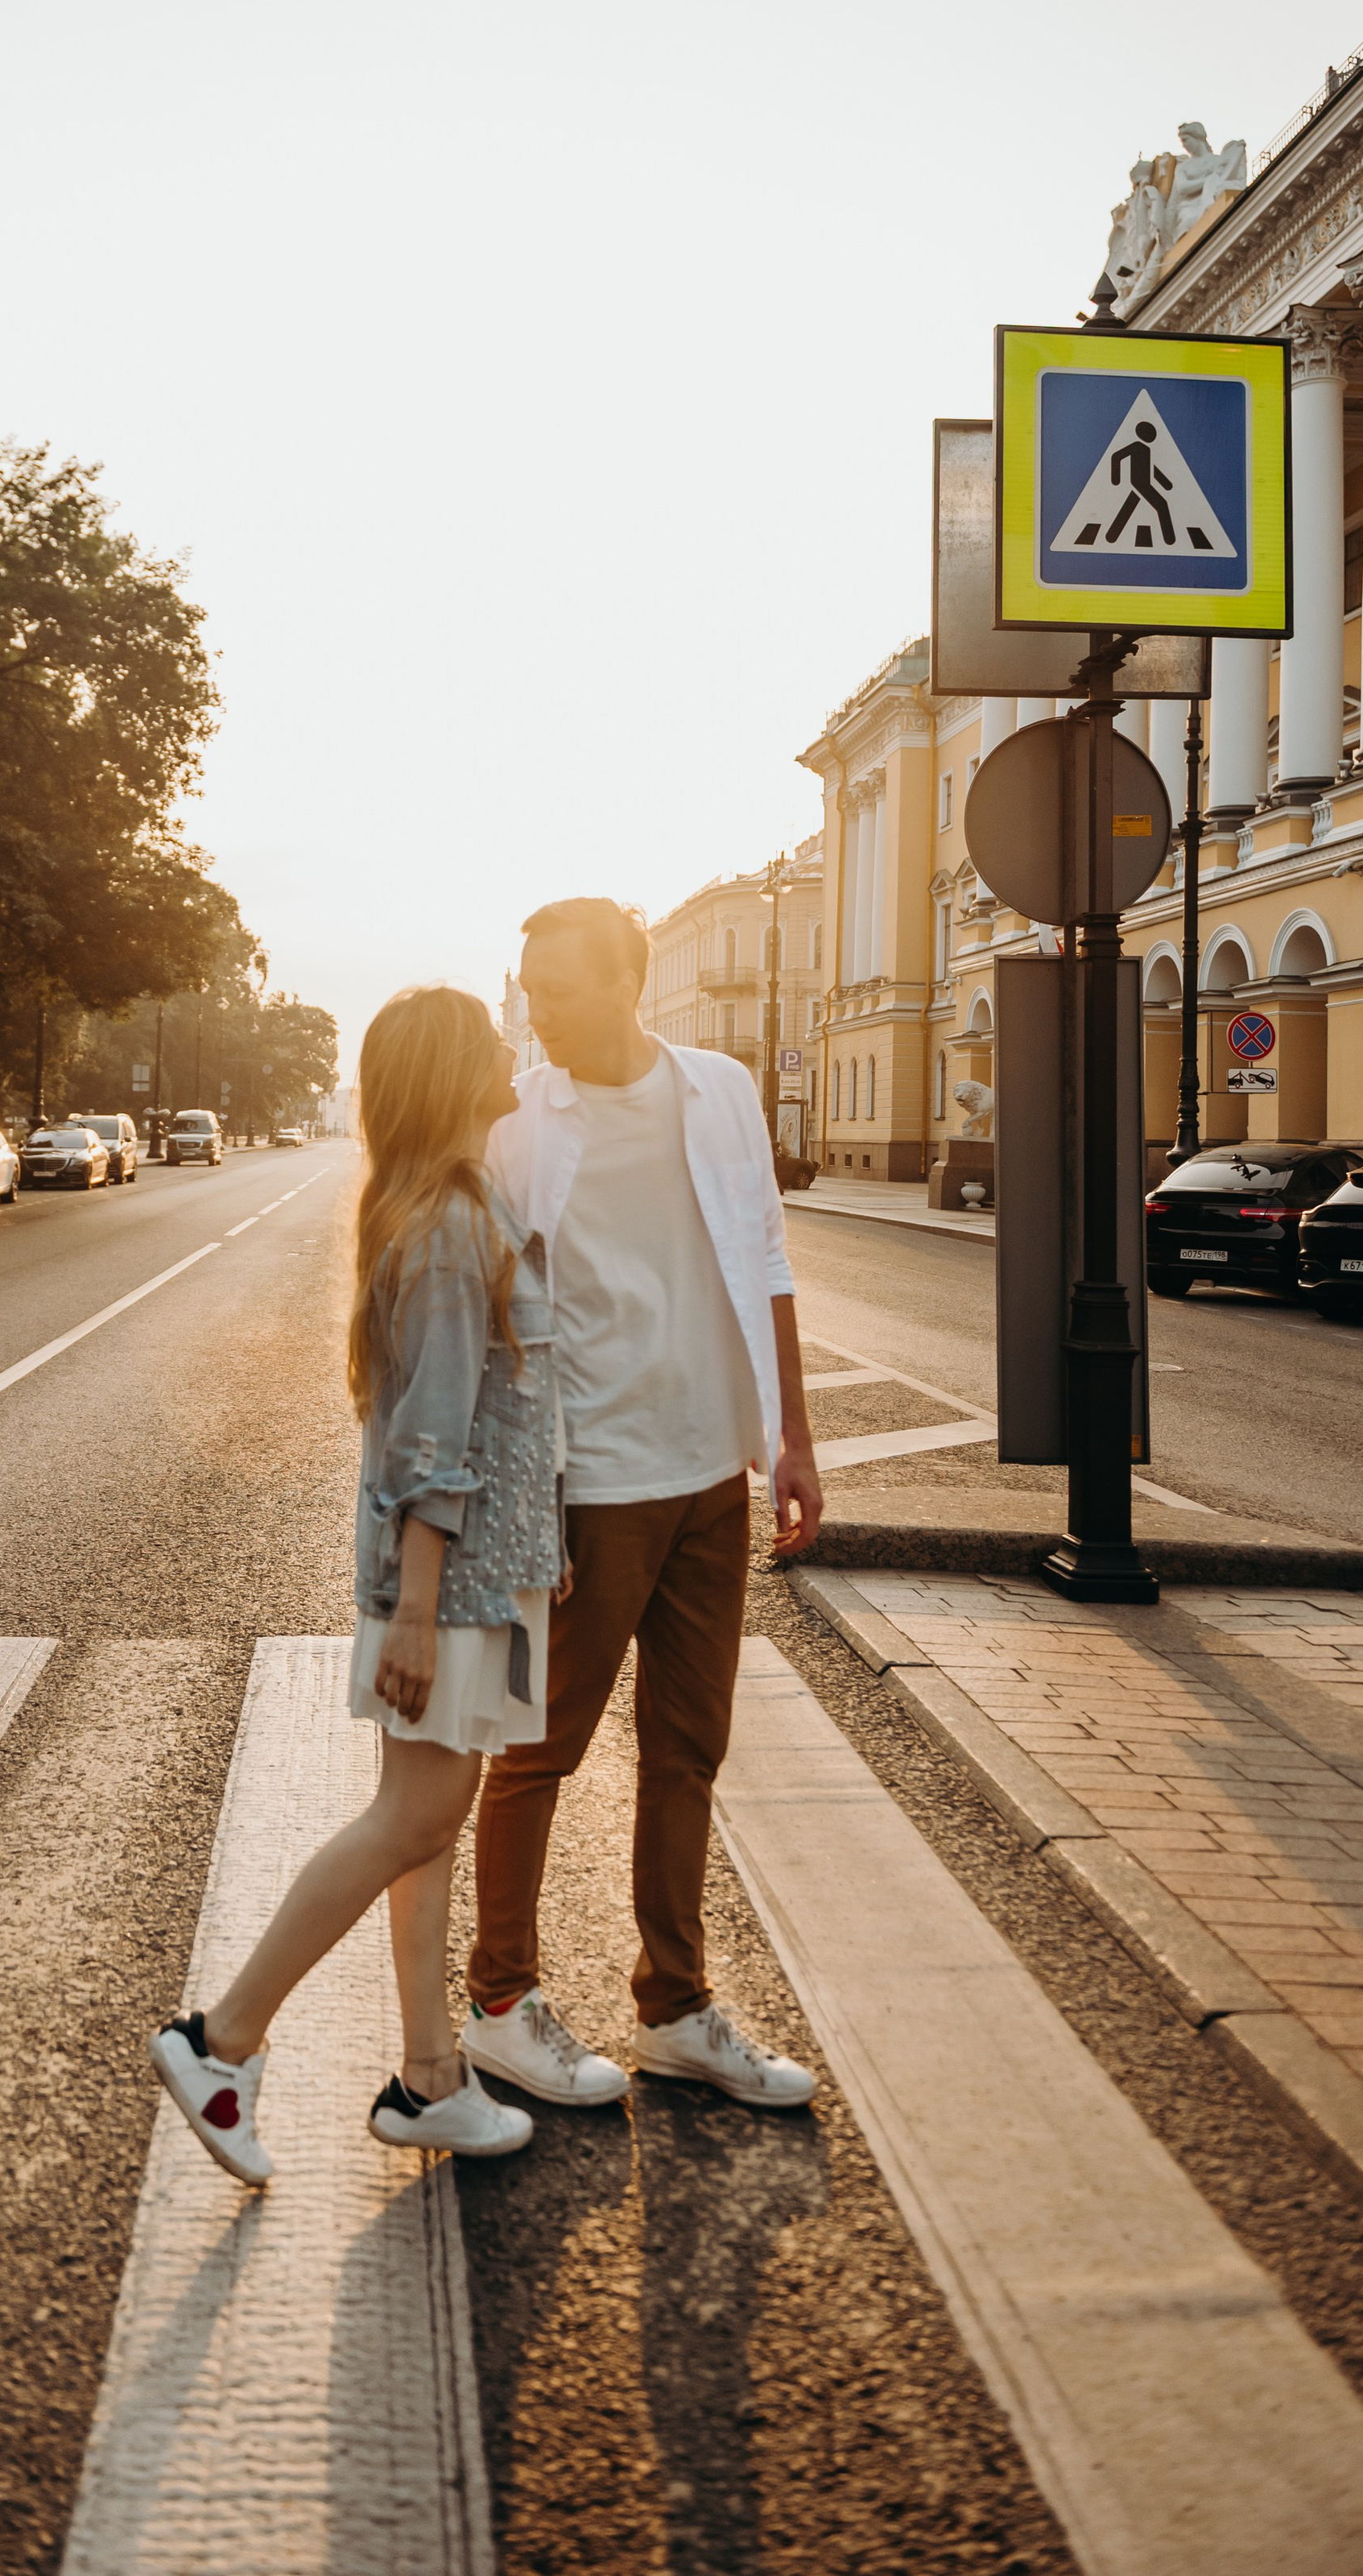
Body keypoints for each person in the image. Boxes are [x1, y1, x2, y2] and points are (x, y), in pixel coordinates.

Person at [151, 984, 567, 2187]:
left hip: (483, 1572)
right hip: (455, 1584)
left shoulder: (460, 1205)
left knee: (426, 1825)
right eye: (489, 1041)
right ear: (449, 1074)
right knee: (416, 1819)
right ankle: (219, 2038)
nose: (509, 1046)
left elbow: (500, 1414)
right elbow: (432, 1440)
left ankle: (432, 2078)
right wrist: (423, 1611)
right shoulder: (445, 1225)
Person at [462, 895, 823, 2113]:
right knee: (539, 1750)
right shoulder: (518, 1120)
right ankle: (499, 2002)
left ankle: (675, 2007)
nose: (538, 1009)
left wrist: (792, 1443)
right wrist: (532, 1492)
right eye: (529, 986)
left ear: (627, 982)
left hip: (710, 1474)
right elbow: (502, 1316)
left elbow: (766, 1259)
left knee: (688, 1752)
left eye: (557, 986)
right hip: (595, 1485)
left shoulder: (717, 1088)